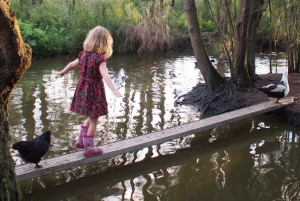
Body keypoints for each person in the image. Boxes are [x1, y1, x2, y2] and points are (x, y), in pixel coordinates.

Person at [53, 26, 122, 157]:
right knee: (94, 119)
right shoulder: (100, 59)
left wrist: (62, 72)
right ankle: (89, 148)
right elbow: (105, 75)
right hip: (94, 92)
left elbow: (71, 65)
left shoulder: (83, 55)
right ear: (105, 43)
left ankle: (80, 141)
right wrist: (113, 89)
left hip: (83, 90)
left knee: (91, 116)